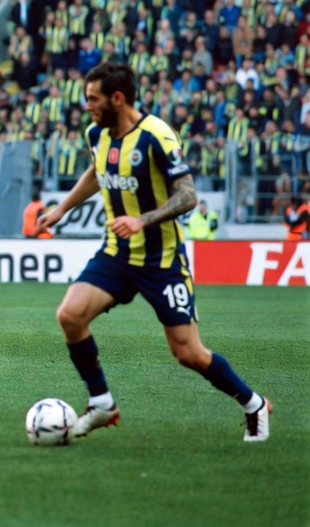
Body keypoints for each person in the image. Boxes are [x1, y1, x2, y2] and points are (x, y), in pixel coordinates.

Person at [37, 62, 269, 442]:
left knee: (188, 353)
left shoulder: (156, 135)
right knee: (70, 315)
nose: (87, 106)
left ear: (118, 98)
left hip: (162, 262)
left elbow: (188, 195)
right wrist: (62, 209)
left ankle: (253, 403)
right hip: (116, 254)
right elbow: (98, 172)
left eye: (93, 99)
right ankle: (102, 402)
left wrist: (143, 220)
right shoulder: (97, 133)